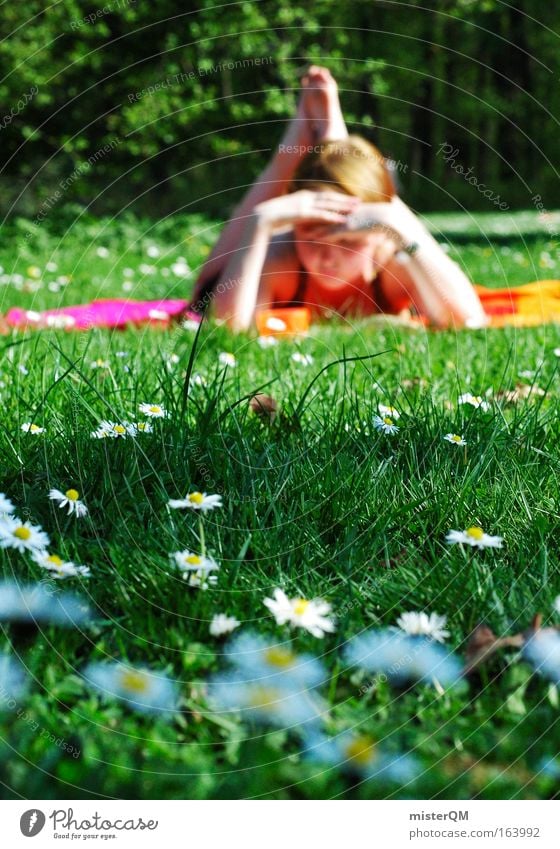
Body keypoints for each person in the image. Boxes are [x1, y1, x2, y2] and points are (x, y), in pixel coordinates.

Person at [192, 66, 488, 332]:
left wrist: (395, 221)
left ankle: (330, 141)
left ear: (377, 236)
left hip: (377, 225)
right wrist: (260, 221)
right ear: (296, 228)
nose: (327, 257)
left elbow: (468, 320)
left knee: (353, 178)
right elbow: (226, 327)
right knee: (207, 288)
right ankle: (297, 150)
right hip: (254, 256)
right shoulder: (281, 258)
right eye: (312, 236)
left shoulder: (390, 264)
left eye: (347, 241)